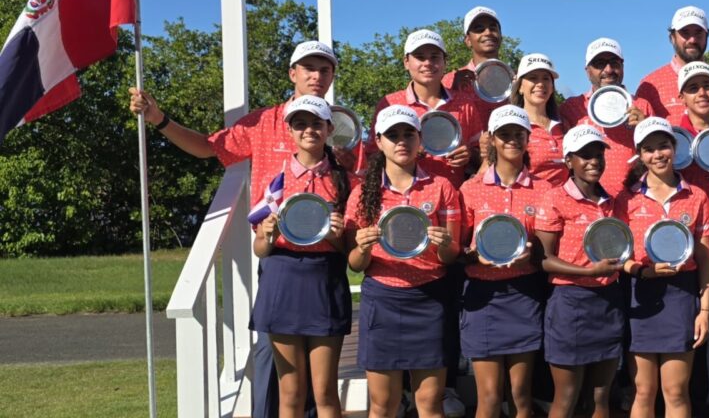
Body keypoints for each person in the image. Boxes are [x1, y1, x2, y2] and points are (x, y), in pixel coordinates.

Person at [129, 40, 342, 418]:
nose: (316, 76)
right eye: (308, 68)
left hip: (326, 263)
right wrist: (159, 119)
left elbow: (367, 176)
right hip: (277, 258)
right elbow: (208, 148)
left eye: (324, 69)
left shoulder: (338, 128)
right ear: (292, 73)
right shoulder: (261, 122)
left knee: (320, 390)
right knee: (273, 369)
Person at [346, 105, 464, 418]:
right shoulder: (362, 193)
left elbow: (450, 256)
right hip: (383, 298)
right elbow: (356, 265)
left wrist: (445, 245)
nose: (401, 141)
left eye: (408, 134)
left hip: (430, 296)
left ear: (420, 139)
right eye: (392, 135)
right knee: (383, 406)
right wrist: (363, 247)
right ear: (379, 141)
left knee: (429, 405)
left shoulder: (442, 187)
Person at [249, 96, 354, 418]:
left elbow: (350, 254)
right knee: (291, 393)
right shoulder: (275, 180)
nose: (309, 130)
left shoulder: (345, 180)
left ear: (329, 128)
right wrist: (267, 232)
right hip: (281, 279)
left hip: (325, 279)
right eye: (300, 124)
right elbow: (260, 249)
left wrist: (337, 237)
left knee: (324, 392)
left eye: (316, 123)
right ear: (290, 131)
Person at [614, 117, 709, 418]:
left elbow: (706, 258)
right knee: (643, 391)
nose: (658, 155)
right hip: (640, 294)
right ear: (640, 155)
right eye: (649, 149)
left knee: (675, 391)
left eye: (663, 146)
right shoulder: (627, 198)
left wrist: (705, 311)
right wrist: (640, 271)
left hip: (682, 296)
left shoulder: (696, 196)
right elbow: (619, 256)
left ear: (675, 148)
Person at [459, 105, 551, 418]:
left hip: (524, 294)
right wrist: (477, 258)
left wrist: (533, 255)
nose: (512, 140)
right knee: (488, 397)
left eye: (518, 134)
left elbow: (546, 250)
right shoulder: (470, 189)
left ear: (527, 139)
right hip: (483, 296)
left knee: (521, 396)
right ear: (494, 140)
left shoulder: (544, 189)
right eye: (505, 134)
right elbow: (459, 251)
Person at [534, 125, 627, 418]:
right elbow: (544, 259)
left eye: (598, 154)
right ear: (568, 160)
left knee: (601, 398)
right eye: (585, 156)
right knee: (567, 398)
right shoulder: (554, 198)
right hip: (570, 303)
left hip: (608, 301)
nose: (594, 161)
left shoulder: (612, 201)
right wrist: (588, 272)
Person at [375, 28, 484, 188]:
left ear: (444, 62)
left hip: (452, 197)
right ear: (406, 62)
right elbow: (372, 155)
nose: (427, 63)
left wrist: (469, 155)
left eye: (434, 57)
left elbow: (483, 155)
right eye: (420, 57)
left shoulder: (465, 103)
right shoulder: (390, 103)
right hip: (402, 198)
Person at [560, 37, 651, 197]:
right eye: (600, 63)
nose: (608, 69)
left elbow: (656, 155)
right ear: (587, 70)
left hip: (634, 200)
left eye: (614, 63)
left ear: (622, 66)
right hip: (588, 203)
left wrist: (645, 130)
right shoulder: (572, 107)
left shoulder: (642, 105)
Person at [635, 6, 709, 129]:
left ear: (707, 35)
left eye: (698, 33)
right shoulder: (650, 85)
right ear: (672, 37)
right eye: (685, 33)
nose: (692, 40)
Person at [507, 53, 568, 185]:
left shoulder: (565, 125)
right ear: (520, 87)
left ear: (552, 87)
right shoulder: (511, 127)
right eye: (533, 78)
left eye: (546, 78)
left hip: (564, 204)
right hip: (527, 203)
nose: (540, 84)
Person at [673, 61, 709, 196]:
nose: (702, 93)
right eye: (693, 88)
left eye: (707, 86)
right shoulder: (673, 140)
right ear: (682, 97)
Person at [443, 6, 508, 117]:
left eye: (493, 28)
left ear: (501, 37)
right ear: (468, 41)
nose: (487, 32)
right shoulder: (451, 80)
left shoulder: (516, 78)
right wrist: (454, 92)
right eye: (479, 29)